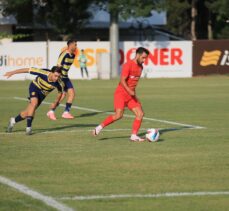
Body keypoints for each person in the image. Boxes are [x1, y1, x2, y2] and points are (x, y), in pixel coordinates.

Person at [92, 47, 149, 142]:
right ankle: (99, 127)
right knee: (118, 115)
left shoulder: (141, 67)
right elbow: (122, 80)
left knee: (140, 114)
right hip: (121, 93)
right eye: (143, 57)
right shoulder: (128, 65)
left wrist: (134, 96)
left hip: (131, 96)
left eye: (145, 58)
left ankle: (134, 136)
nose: (144, 60)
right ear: (138, 55)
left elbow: (133, 84)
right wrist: (129, 91)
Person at [4, 66, 64, 135]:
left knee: (27, 113)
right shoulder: (43, 73)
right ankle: (28, 128)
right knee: (34, 103)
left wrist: (55, 102)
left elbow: (60, 92)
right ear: (51, 73)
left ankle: (13, 121)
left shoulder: (59, 82)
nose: (56, 78)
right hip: (35, 87)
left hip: (42, 95)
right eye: (55, 76)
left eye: (58, 76)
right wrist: (12, 72)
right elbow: (27, 69)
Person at [47, 39, 77, 120]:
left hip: (66, 77)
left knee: (71, 94)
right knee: (63, 95)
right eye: (75, 44)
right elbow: (58, 65)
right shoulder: (64, 54)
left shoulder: (73, 55)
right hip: (61, 77)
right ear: (70, 45)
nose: (76, 46)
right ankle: (52, 111)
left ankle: (64, 112)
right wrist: (57, 77)